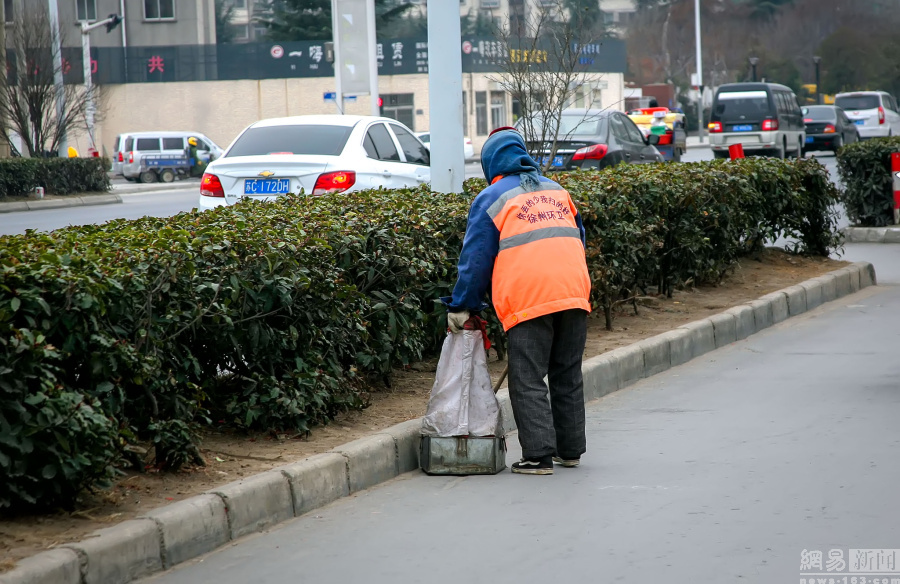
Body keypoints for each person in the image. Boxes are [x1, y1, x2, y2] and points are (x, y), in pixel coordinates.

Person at [442, 127, 591, 475]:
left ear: (490, 162)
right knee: (567, 372)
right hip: (574, 291)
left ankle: (538, 456)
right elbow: (577, 240)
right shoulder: (558, 191)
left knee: (527, 376)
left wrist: (463, 305)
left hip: (530, 297)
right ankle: (570, 451)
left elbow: (475, 259)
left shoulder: (492, 197)